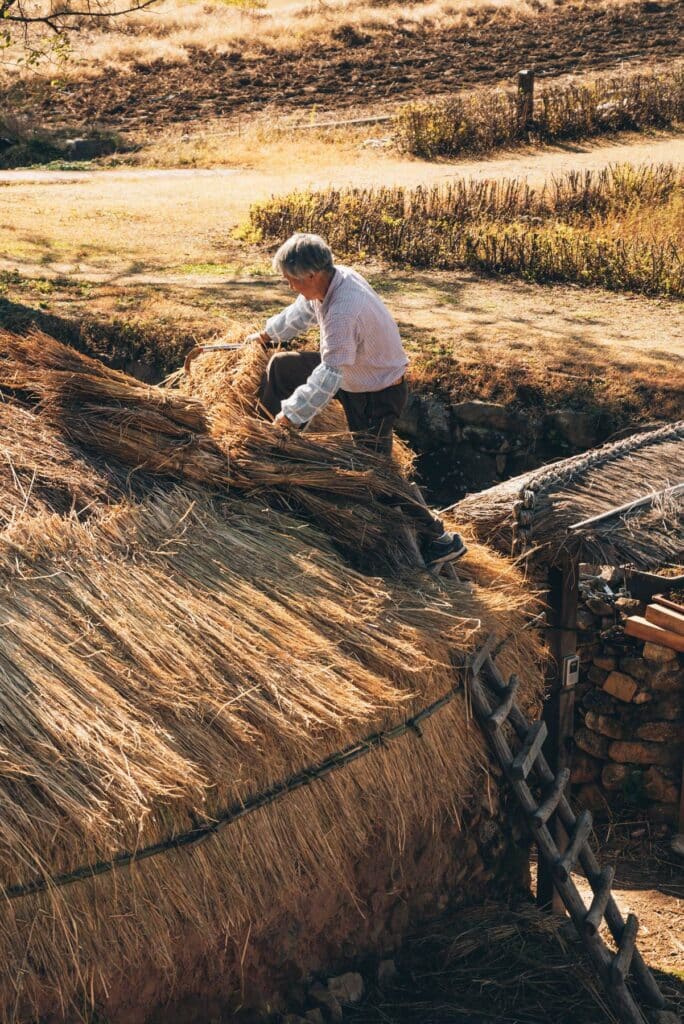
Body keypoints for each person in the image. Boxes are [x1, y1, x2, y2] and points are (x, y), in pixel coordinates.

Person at [250, 232, 467, 569]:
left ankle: (440, 539)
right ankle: (268, 448)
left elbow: (329, 376)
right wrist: (266, 335)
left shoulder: (342, 311)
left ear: (310, 275)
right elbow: (301, 312)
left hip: (374, 393)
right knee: (281, 367)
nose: (289, 286)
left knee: (376, 473)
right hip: (354, 371)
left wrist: (289, 415)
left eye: (291, 280)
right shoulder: (330, 280)